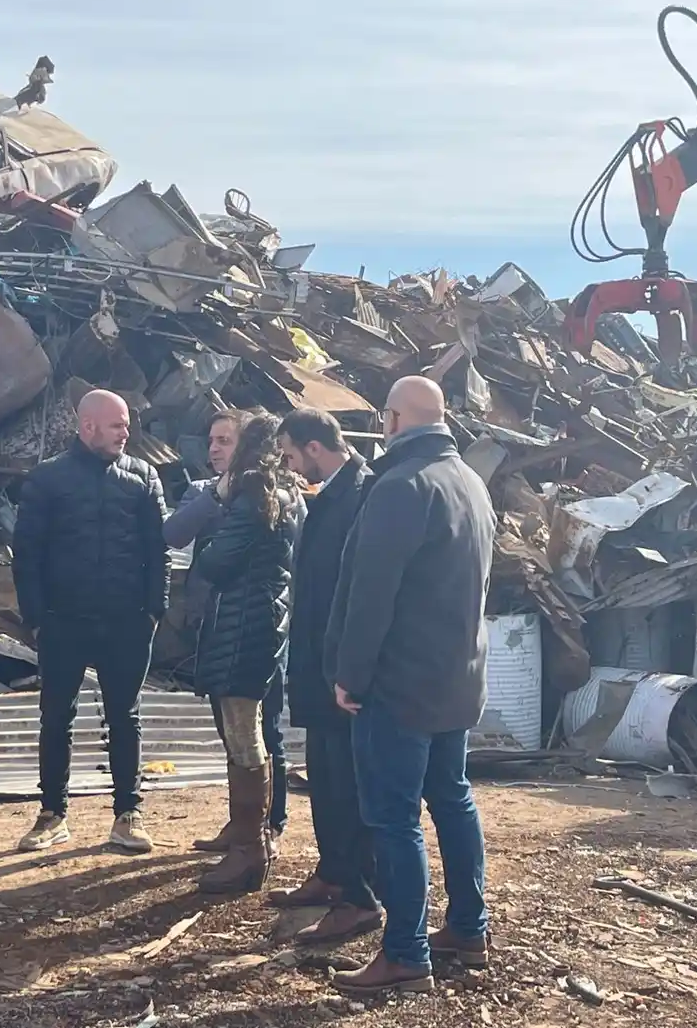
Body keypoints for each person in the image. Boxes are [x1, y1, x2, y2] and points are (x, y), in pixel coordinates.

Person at [326, 377, 497, 996]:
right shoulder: (471, 483)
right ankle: (469, 928)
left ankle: (404, 952)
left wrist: (350, 674)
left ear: (393, 419)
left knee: (393, 818)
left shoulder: (401, 487)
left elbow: (371, 594)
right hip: (457, 679)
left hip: (399, 683)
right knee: (451, 798)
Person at [12, 389, 169, 854]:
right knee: (56, 717)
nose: (127, 433)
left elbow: (157, 550)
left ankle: (128, 813)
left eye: (127, 425)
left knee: (126, 716)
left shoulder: (143, 477)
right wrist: (36, 618)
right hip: (64, 622)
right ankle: (53, 813)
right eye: (118, 425)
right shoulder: (46, 480)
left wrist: (154, 609)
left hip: (126, 622)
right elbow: (28, 554)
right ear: (88, 427)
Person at [268, 407, 380, 944]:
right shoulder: (330, 494)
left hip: (341, 672)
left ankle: (361, 895)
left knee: (349, 787)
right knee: (324, 779)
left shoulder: (363, 494)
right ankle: (333, 873)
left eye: (291, 454)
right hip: (316, 665)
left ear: (315, 447)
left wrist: (349, 669)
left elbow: (362, 595)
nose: (289, 467)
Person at [164, 409, 292, 857]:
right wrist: (216, 496)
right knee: (233, 731)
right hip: (218, 626)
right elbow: (173, 533)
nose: (215, 448)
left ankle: (266, 829)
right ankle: (242, 828)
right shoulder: (207, 492)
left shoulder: (266, 497)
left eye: (225, 441)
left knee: (261, 730)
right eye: (212, 440)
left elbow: (224, 561)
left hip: (253, 628)